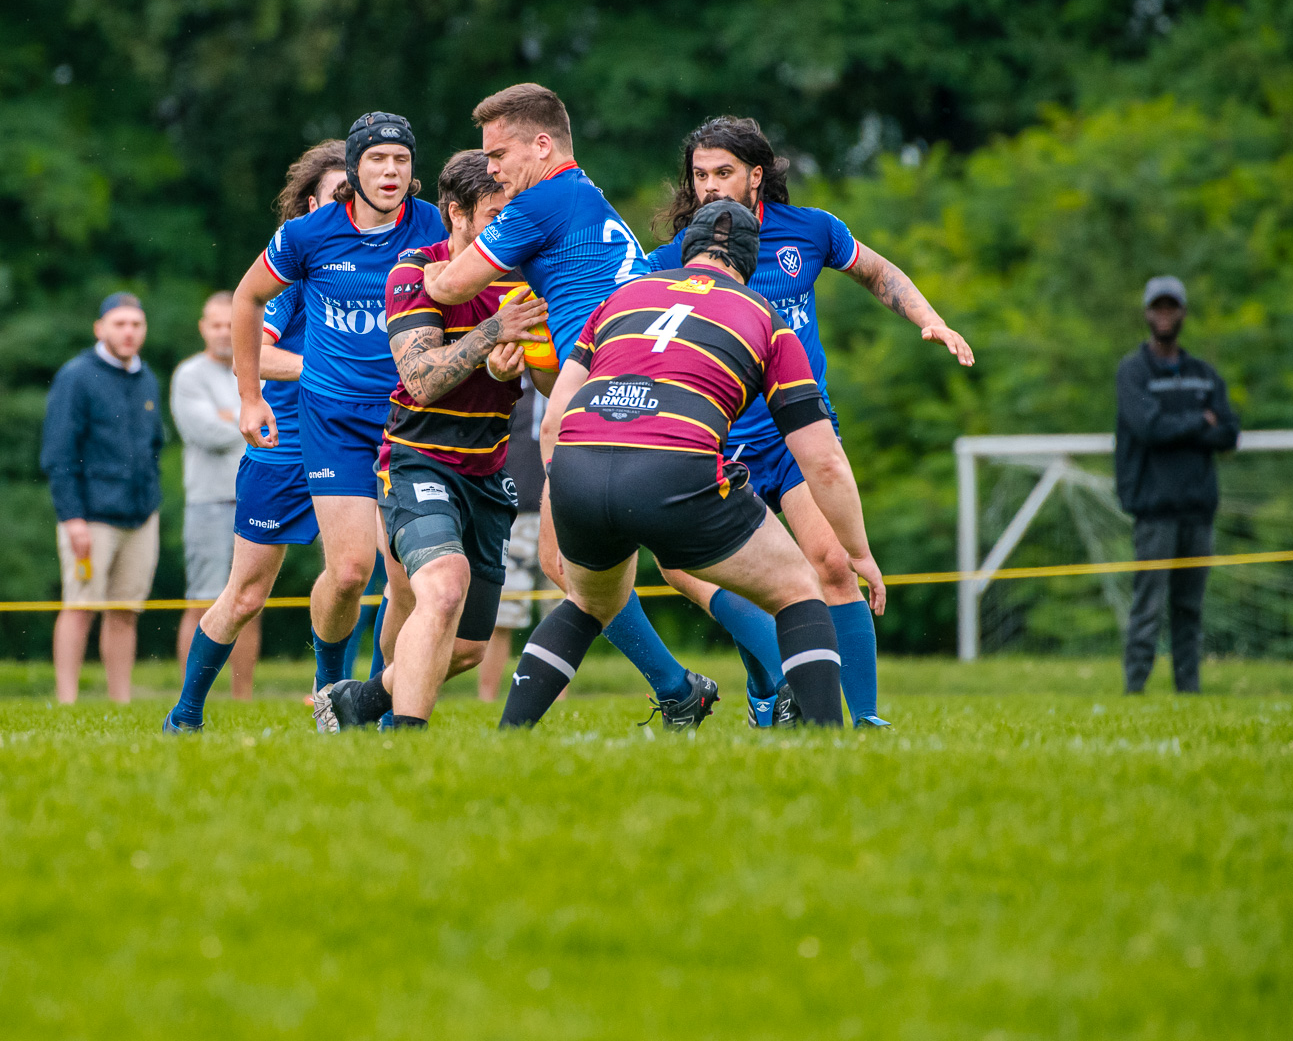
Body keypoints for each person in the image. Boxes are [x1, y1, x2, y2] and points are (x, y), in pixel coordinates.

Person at [500, 200, 887, 729]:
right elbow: (823, 461)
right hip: (673, 470)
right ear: (750, 262)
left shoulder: (621, 299)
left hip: (578, 467)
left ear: (687, 250)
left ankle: (507, 737)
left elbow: (553, 422)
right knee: (798, 587)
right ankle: (828, 738)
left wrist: (565, 496)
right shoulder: (766, 319)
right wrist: (858, 552)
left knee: (589, 604)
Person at [641, 116, 974, 727]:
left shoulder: (811, 230)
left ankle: (863, 719)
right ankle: (769, 686)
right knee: (732, 578)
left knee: (833, 563)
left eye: (723, 173)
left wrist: (931, 319)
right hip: (720, 442)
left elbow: (878, 272)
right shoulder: (672, 260)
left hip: (798, 436)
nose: (710, 186)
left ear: (756, 176)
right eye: (700, 175)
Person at [420, 83, 702, 713]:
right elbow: (552, 377)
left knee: (620, 564)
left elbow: (448, 287)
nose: (493, 168)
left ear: (542, 145)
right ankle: (692, 686)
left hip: (607, 399)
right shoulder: (580, 201)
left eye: (499, 154)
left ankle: (709, 682)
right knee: (658, 559)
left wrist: (420, 269)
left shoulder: (542, 201)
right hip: (636, 383)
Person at [312, 149, 550, 731]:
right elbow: (418, 379)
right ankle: (406, 745)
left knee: (466, 647)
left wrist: (518, 364)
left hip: (488, 474)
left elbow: (550, 380)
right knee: (443, 590)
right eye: (495, 216)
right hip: (418, 461)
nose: (508, 229)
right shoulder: (415, 272)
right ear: (457, 214)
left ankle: (357, 702)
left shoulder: (526, 275)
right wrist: (492, 333)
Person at [231, 113, 447, 702]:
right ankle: (330, 685)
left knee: (406, 580)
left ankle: (376, 701)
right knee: (351, 572)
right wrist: (250, 398)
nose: (391, 170)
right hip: (335, 421)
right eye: (378, 159)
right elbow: (247, 299)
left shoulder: (433, 224)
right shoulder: (308, 235)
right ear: (354, 168)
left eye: (401, 159)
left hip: (407, 418)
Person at [166, 140, 348, 731]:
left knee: (355, 575)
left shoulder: (387, 264)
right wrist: (329, 370)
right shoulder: (293, 271)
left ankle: (334, 701)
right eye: (338, 194)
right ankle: (185, 714)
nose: (351, 204)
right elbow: (257, 356)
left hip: (354, 443)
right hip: (284, 448)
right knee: (245, 594)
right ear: (309, 205)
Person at [1115, 275, 1239, 694]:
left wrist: (1178, 427)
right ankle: (1135, 691)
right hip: (1154, 512)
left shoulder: (1204, 374)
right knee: (1147, 606)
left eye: (1172, 307)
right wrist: (1199, 421)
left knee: (1190, 607)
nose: (1165, 314)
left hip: (1198, 510)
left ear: (1183, 313)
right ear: (1147, 313)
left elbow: (1229, 432)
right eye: (1158, 307)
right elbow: (1147, 428)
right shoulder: (1133, 372)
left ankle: (1189, 690)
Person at [41, 292, 164, 704]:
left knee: (126, 612)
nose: (129, 332)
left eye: (136, 324)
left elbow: (154, 446)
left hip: (141, 516)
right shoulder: (76, 376)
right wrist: (72, 518)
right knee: (80, 608)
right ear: (100, 329)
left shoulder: (147, 378)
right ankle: (67, 701)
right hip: (90, 516)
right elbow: (58, 453)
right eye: (120, 324)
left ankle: (120, 701)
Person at [171, 292, 250, 666]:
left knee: (251, 601)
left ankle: (243, 693)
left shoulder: (255, 368)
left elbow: (278, 423)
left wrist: (228, 415)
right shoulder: (189, 375)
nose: (223, 332)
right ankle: (191, 690)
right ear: (203, 328)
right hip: (209, 503)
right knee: (203, 600)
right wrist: (249, 417)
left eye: (230, 325)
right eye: (216, 324)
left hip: (253, 500)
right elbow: (206, 432)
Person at [481, 385, 548, 702]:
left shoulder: (568, 377)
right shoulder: (504, 381)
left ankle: (556, 700)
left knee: (561, 612)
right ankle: (487, 698)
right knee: (501, 616)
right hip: (513, 512)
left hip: (559, 510)